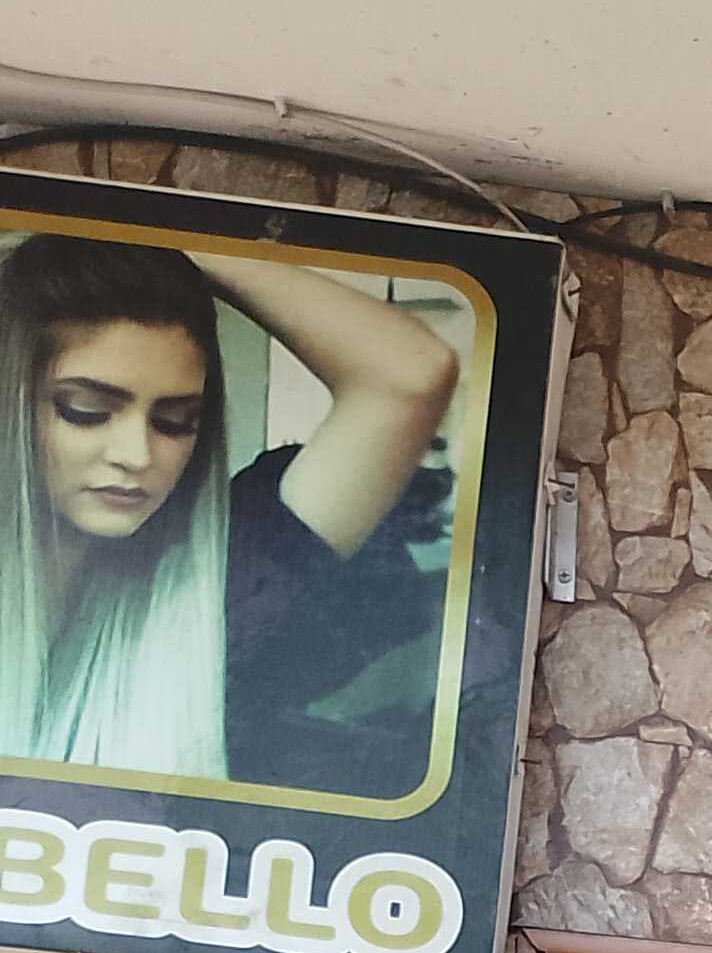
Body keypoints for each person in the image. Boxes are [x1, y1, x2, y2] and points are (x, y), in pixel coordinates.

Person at [0, 224, 459, 793]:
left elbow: (410, 374)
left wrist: (170, 237)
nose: (137, 455)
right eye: (87, 410)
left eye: (175, 421)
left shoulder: (226, 579)